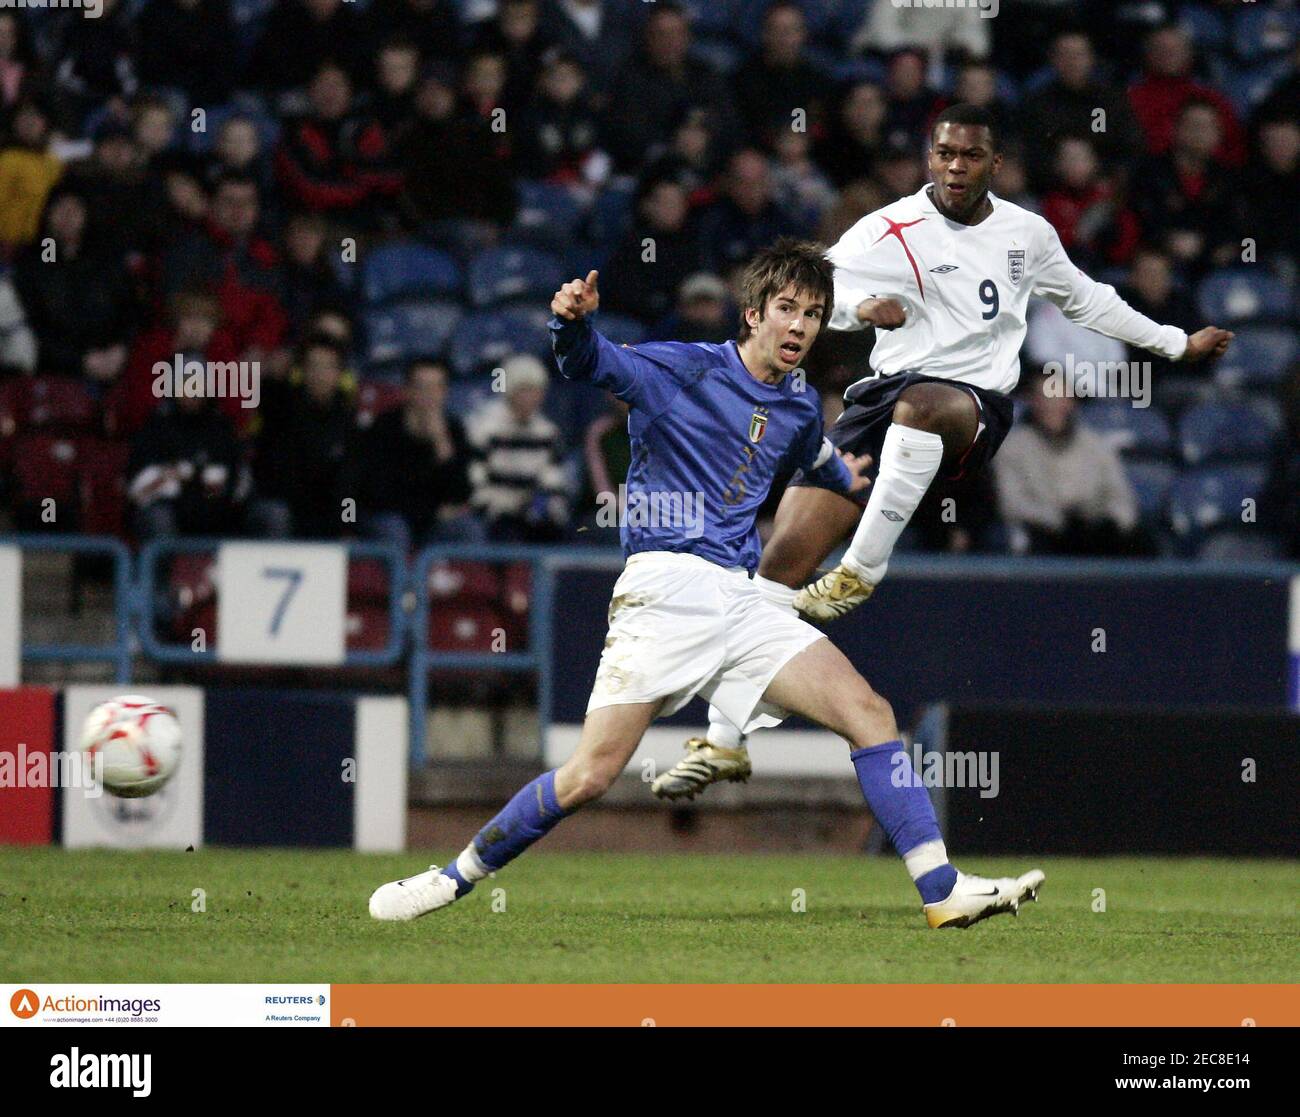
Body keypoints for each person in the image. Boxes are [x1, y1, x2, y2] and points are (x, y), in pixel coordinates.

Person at [368, 240, 1046, 930]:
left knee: (868, 712)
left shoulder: (799, 402)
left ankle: (940, 888)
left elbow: (809, 449)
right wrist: (570, 324)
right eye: (787, 308)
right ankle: (451, 877)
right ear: (752, 314)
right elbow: (592, 363)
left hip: (742, 597)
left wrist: (844, 478)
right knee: (589, 776)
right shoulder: (684, 368)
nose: (801, 326)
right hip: (665, 587)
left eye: (813, 313)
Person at [652, 103, 1233, 802]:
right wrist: (858, 311)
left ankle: (863, 568)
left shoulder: (1027, 233)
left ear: (996, 163)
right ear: (932, 158)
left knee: (924, 406)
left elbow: (1088, 301)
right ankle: (725, 739)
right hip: (877, 403)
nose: (956, 167)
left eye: (970, 156)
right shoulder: (888, 227)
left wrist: (1173, 341)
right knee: (775, 566)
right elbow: (810, 297)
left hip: (970, 407)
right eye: (945, 154)